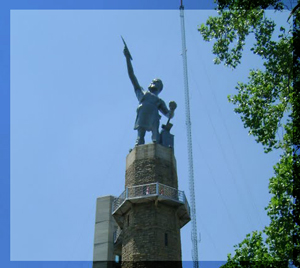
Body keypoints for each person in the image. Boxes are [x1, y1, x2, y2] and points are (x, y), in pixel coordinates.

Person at [123, 46, 176, 145]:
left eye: (155, 82)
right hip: (143, 113)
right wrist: (127, 58)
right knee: (140, 136)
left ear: (159, 87)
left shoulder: (159, 101)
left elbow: (169, 115)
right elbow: (131, 75)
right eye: (152, 81)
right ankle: (139, 143)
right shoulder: (142, 92)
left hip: (154, 117)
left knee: (155, 133)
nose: (152, 83)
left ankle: (156, 143)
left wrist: (172, 109)